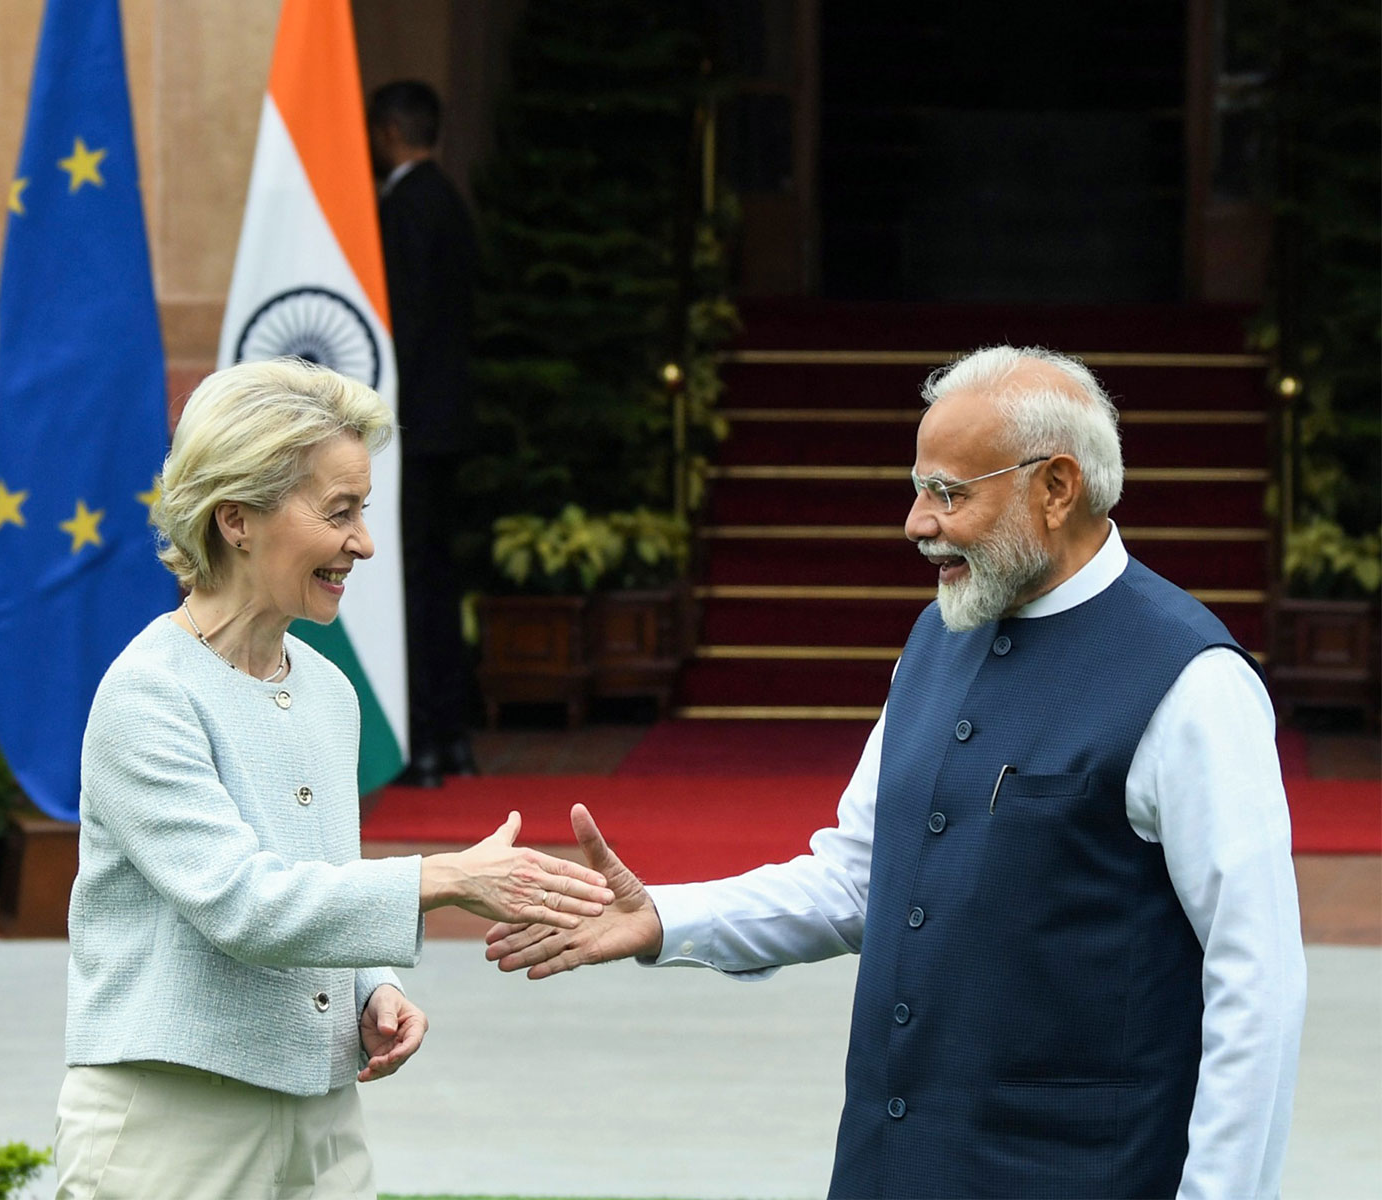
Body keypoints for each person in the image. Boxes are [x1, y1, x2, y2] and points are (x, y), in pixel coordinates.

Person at [487, 346, 1307, 1199]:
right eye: (918, 489)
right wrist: (661, 917)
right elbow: (858, 879)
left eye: (949, 493)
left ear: (1055, 488)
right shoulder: (935, 638)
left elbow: (1259, 983)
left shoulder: (1192, 679)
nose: (917, 522)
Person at [54, 358, 613, 1199]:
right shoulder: (148, 693)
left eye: (364, 510)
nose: (364, 542)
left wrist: (370, 987)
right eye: (338, 512)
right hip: (167, 1128)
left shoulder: (328, 689)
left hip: (323, 1120)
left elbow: (323, 881)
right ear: (236, 518)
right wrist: (447, 878)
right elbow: (242, 904)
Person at [368, 80, 479, 788]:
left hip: (411, 427)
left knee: (413, 587)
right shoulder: (451, 201)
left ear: (386, 133)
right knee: (435, 582)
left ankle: (425, 743)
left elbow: (401, 322)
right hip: (445, 424)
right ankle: (449, 739)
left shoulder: (404, 206)